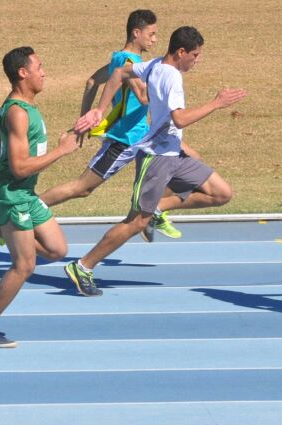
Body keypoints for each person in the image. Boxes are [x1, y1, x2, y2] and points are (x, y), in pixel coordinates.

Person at [0, 9, 180, 251]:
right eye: (152, 34)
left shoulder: (118, 58)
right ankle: (18, 218)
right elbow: (144, 97)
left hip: (143, 137)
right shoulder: (129, 62)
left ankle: (149, 213)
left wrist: (85, 118)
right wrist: (163, 79)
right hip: (127, 138)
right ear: (137, 33)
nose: (155, 40)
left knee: (177, 166)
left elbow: (92, 82)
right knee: (82, 188)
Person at [68, 26, 246, 296]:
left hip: (174, 153)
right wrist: (216, 103)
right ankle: (83, 266)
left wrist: (99, 110)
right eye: (195, 55)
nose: (197, 60)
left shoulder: (152, 65)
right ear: (181, 52)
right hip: (156, 158)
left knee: (221, 193)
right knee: (137, 221)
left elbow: (119, 73)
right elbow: (180, 118)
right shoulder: (171, 76)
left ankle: (160, 207)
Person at [0, 47, 80, 348]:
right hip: (14, 196)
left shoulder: (23, 107)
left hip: (24, 194)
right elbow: (17, 168)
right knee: (24, 266)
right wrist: (62, 151)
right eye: (39, 67)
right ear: (22, 73)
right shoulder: (17, 112)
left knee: (56, 249)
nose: (44, 72)